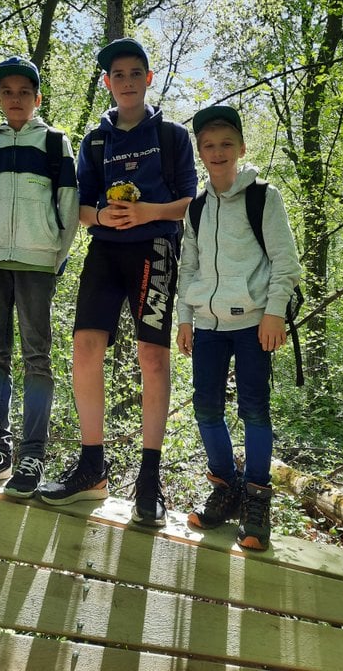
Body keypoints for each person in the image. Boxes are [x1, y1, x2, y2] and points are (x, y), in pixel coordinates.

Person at [39, 37, 197, 526]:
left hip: (156, 249)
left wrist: (147, 211)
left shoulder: (173, 136)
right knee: (85, 348)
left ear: (148, 78)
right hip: (105, 251)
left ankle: (149, 480)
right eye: (118, 75)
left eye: (135, 73)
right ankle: (92, 467)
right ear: (107, 83)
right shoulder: (96, 140)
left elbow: (192, 203)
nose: (127, 82)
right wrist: (102, 216)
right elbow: (80, 207)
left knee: (152, 356)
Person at [176, 105, 301, 550]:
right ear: (200, 152)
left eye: (226, 143)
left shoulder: (263, 197)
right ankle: (226, 488)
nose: (218, 152)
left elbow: (285, 261)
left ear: (242, 148)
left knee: (254, 410)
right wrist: (185, 318)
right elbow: (188, 267)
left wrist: (274, 312)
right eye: (209, 145)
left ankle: (256, 499)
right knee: (206, 409)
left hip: (253, 323)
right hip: (207, 326)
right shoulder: (196, 208)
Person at [0, 56, 79, 499]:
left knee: (37, 358)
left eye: (24, 92)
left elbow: (69, 204)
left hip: (37, 263)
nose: (15, 99)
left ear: (37, 98)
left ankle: (32, 455)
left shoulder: (55, 143)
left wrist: (54, 257)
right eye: (7, 92)